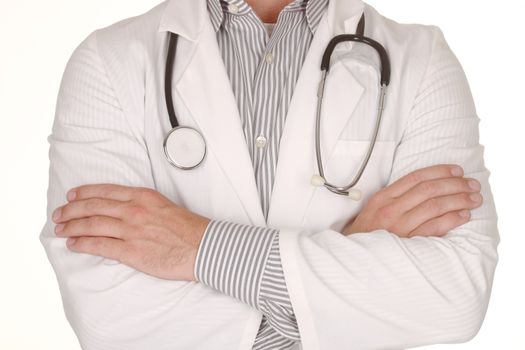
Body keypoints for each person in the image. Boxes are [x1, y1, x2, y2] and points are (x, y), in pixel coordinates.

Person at [40, 0, 499, 349]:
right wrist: (348, 255)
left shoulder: (420, 60)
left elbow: (455, 295)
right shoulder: (108, 62)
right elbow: (106, 313)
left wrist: (197, 247)